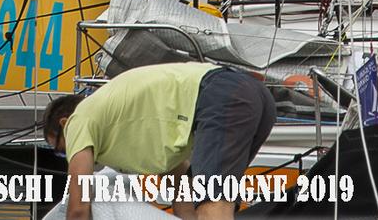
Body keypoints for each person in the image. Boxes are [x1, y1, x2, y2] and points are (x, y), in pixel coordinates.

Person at [43, 62, 277, 220]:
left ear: (64, 124)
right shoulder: (117, 123)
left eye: (61, 151)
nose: (68, 156)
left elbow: (77, 210)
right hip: (254, 95)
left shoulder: (78, 119)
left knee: (212, 202)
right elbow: (181, 183)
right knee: (195, 197)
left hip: (220, 95)